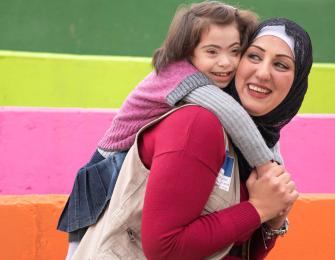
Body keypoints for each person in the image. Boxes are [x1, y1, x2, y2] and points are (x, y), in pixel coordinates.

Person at [70, 17, 313, 259]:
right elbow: (165, 249)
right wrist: (258, 208)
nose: (262, 73)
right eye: (254, 56)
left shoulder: (253, 139)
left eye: (281, 65)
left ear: (298, 82)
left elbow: (236, 250)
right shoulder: (198, 124)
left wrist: (273, 220)